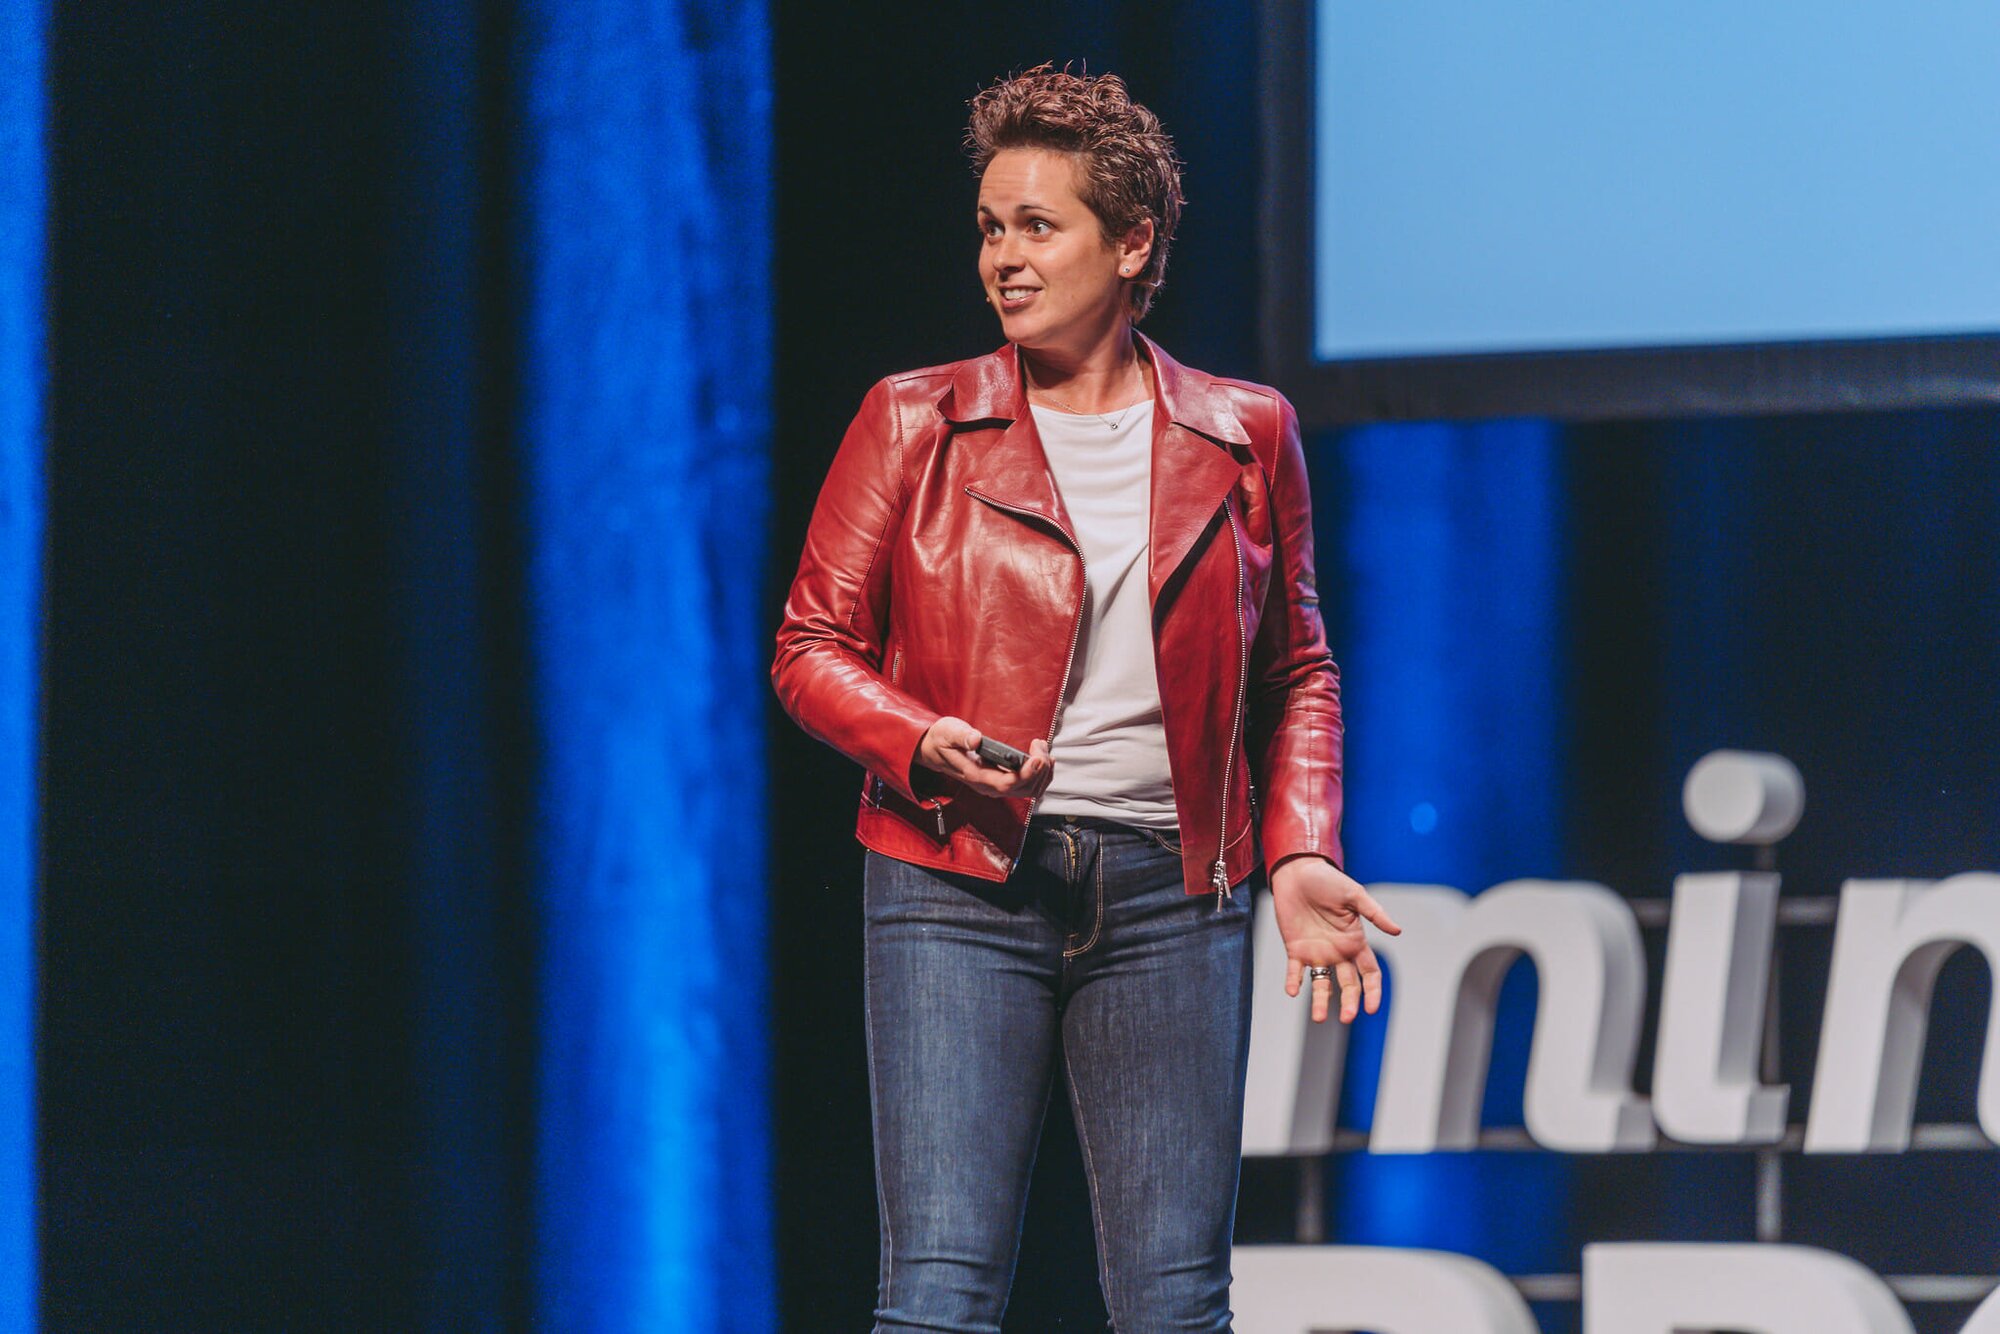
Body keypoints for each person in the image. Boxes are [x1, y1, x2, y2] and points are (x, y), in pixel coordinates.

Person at [771, 62, 1400, 1334]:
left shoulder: (1245, 431)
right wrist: (920, 740)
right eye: (990, 226)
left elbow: (1297, 668)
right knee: (938, 1291)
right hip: (955, 879)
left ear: (1131, 243)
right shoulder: (913, 419)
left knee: (1174, 1303)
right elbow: (809, 644)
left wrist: (1297, 850)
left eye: (1036, 227)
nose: (1002, 256)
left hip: (1172, 892)